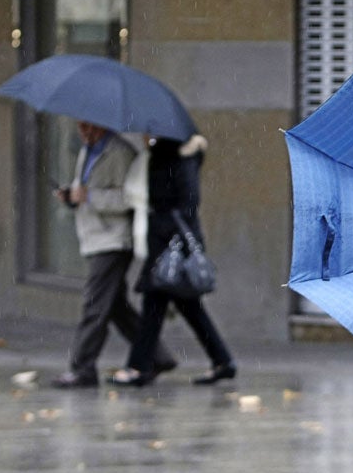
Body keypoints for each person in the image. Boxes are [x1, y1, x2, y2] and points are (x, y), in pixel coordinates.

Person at [51, 121, 176, 388]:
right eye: (80, 128)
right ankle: (157, 356)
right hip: (93, 237)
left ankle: (83, 367)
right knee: (116, 306)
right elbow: (86, 187)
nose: (85, 133)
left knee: (95, 303)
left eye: (90, 128)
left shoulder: (120, 152)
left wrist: (89, 197)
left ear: (101, 125)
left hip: (114, 239)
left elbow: (127, 199)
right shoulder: (87, 150)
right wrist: (72, 196)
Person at [110, 133, 236, 386]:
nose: (145, 136)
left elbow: (188, 203)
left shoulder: (180, 158)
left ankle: (138, 367)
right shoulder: (160, 156)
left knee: (154, 306)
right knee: (188, 308)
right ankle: (222, 361)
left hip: (171, 245)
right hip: (165, 243)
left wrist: (167, 233)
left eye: (149, 132)